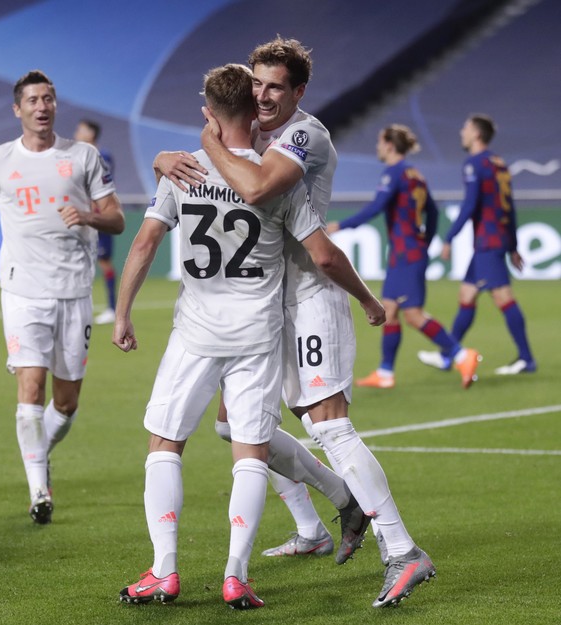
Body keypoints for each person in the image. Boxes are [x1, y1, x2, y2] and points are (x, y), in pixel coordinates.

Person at [157, 37, 436, 608]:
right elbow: (218, 163)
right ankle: (337, 504)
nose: (261, 95)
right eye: (255, 83)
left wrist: (365, 299)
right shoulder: (250, 134)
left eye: (275, 86)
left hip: (311, 294)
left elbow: (257, 187)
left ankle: (404, 551)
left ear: (298, 91)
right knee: (236, 427)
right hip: (264, 302)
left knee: (329, 426)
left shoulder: (306, 135)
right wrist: (168, 158)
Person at [116, 63, 384, 610]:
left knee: (166, 444)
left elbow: (142, 245)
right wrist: (369, 300)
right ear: (250, 109)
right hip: (259, 334)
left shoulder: (183, 171)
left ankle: (164, 571)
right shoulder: (275, 179)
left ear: (208, 114)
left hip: (195, 333)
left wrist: (121, 313)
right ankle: (235, 576)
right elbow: (324, 254)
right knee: (249, 453)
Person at [0, 70, 124, 525]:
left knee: (66, 402)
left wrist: (89, 216)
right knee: (30, 388)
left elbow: (116, 220)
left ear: (55, 105)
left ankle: (38, 454)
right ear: (18, 109)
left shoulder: (83, 157)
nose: (41, 106)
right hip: (22, 289)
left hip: (74, 289)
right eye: (32, 99)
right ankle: (39, 490)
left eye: (48, 98)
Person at [327, 125, 481, 389]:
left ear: (389, 144)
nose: (377, 147)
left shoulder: (395, 173)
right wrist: (426, 241)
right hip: (409, 252)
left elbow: (376, 207)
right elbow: (432, 212)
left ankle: (461, 355)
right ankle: (385, 372)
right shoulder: (415, 174)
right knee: (391, 310)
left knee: (413, 315)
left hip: (406, 254)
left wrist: (341, 226)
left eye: (379, 141)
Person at [418, 114, 536, 375]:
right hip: (497, 239)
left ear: (477, 134)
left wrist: (449, 238)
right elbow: (510, 208)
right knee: (467, 295)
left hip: (488, 242)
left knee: (503, 297)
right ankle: (448, 356)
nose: (462, 132)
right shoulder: (499, 164)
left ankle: (527, 359)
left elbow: (470, 205)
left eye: (466, 128)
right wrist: (513, 245)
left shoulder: (475, 163)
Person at [74, 119, 118, 325]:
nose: (77, 133)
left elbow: (102, 187)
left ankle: (112, 307)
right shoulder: (76, 155)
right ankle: (79, 306)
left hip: (99, 216)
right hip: (81, 216)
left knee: (103, 260)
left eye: (81, 130)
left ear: (91, 134)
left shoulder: (102, 156)